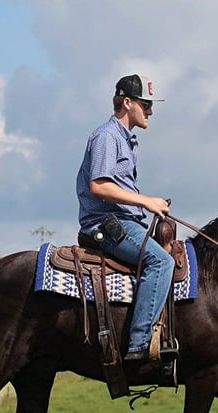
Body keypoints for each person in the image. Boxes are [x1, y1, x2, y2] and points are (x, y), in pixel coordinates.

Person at [76, 74, 176, 363]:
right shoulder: (107, 137)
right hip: (106, 224)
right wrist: (146, 201)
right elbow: (99, 186)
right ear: (128, 102)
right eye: (146, 104)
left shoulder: (127, 140)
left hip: (125, 221)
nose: (150, 111)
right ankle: (139, 344)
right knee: (161, 262)